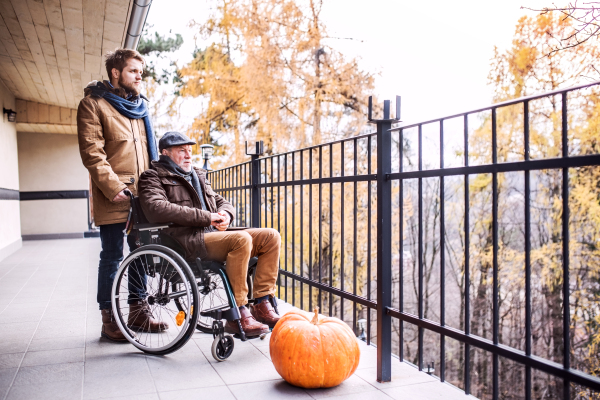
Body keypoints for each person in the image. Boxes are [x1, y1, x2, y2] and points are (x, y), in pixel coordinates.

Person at [138, 131, 281, 336]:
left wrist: (226, 214)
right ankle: (239, 312)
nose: (188, 155)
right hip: (185, 240)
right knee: (241, 240)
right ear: (165, 153)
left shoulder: (197, 175)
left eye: (189, 151)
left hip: (211, 234)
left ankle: (261, 304)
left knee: (271, 236)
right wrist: (207, 217)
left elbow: (221, 201)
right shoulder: (152, 176)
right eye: (182, 151)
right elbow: (156, 208)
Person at [77, 48, 168, 342]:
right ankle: (109, 318)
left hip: (144, 195)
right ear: (116, 73)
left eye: (141, 72)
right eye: (133, 71)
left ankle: (138, 312)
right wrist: (114, 187)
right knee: (113, 255)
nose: (139, 76)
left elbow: (150, 153)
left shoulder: (141, 108)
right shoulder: (93, 105)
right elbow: (92, 153)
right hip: (115, 194)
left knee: (141, 252)